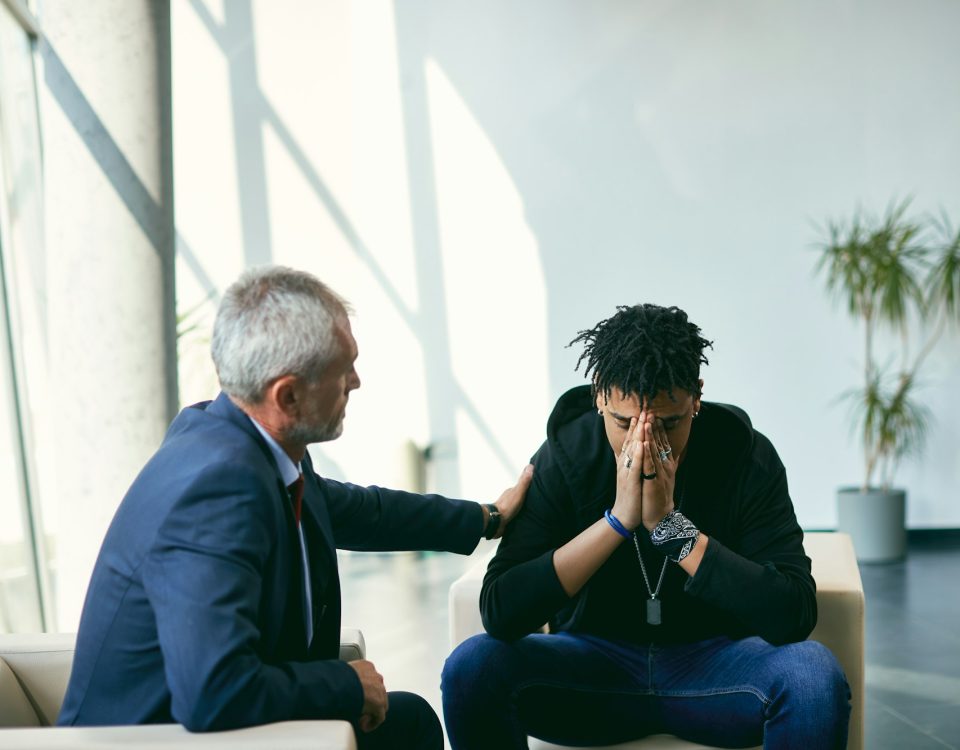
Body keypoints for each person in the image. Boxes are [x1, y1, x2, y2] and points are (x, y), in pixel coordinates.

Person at [58, 266, 532, 749]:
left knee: (409, 721)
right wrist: (346, 685)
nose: (356, 381)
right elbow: (213, 693)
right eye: (344, 368)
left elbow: (364, 511)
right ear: (287, 395)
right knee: (407, 725)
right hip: (156, 741)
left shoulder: (235, 439)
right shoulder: (217, 491)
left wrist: (488, 517)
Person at [442, 303, 850, 750]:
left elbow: (793, 613)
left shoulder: (744, 454)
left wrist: (670, 528)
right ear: (599, 395)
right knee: (472, 665)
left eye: (670, 423)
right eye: (623, 422)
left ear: (696, 395)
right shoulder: (566, 455)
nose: (646, 439)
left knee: (812, 677)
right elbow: (501, 611)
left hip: (716, 667)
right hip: (592, 666)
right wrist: (617, 522)